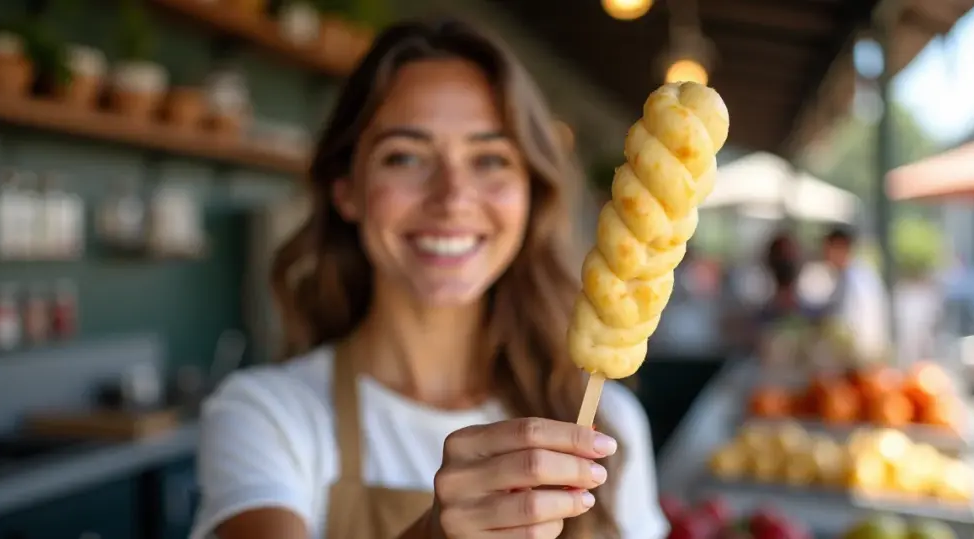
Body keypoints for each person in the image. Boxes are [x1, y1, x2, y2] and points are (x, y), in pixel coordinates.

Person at [190, 18, 666, 539]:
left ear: (530, 193)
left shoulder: (608, 421)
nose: (453, 197)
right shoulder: (269, 415)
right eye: (406, 157)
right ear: (347, 189)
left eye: (490, 159)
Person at [821, 226, 890, 360]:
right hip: (857, 352)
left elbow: (863, 323)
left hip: (864, 355)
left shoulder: (860, 277)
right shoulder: (846, 275)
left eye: (828, 250)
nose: (826, 256)